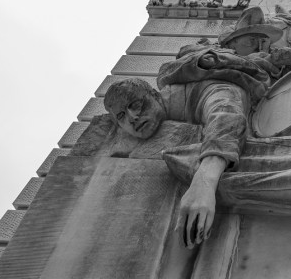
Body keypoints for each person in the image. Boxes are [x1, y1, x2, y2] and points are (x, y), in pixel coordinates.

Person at [104, 77, 249, 249]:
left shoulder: (197, 92)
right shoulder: (123, 137)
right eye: (121, 116)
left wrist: (204, 182)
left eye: (135, 105)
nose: (132, 118)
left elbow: (226, 114)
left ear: (155, 95)